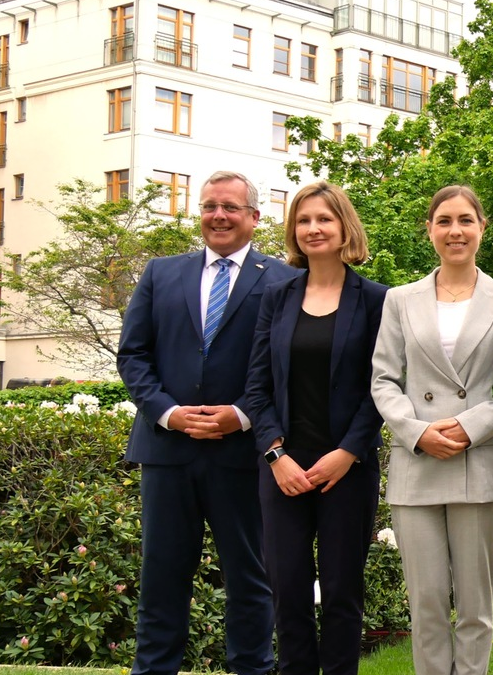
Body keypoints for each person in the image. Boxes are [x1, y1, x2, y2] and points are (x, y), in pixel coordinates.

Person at [117, 171, 298, 675]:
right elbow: (133, 355)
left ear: (254, 217)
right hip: (167, 452)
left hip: (243, 454)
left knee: (250, 577)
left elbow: (285, 366)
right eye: (209, 206)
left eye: (230, 207)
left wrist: (240, 415)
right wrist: (168, 413)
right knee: (161, 576)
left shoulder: (283, 280)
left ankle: (252, 669)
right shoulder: (160, 273)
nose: (218, 216)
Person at [370, 185, 493, 675]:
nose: (455, 231)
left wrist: (466, 426)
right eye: (444, 221)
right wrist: (417, 432)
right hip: (416, 461)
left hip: (477, 460)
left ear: (483, 227)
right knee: (428, 603)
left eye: (465, 220)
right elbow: (383, 378)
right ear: (429, 230)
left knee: (477, 606)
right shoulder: (400, 299)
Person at [244, 181, 388, 675]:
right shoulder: (276, 297)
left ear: (345, 226)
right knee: (287, 591)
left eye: (324, 218)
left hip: (347, 469)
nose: (313, 228)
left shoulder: (376, 300)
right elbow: (257, 385)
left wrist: (347, 452)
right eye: (303, 220)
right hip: (283, 469)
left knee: (343, 592)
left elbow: (381, 386)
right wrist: (275, 455)